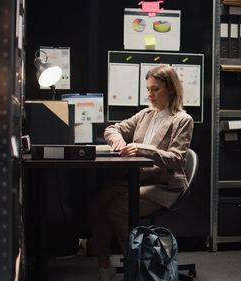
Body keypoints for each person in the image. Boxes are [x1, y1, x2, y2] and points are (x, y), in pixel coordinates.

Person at [90, 64, 194, 281]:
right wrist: (116, 138)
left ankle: (138, 267)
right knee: (99, 202)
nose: (150, 94)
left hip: (165, 185)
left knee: (117, 208)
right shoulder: (146, 114)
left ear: (171, 89)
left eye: (155, 89)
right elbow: (112, 128)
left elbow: (176, 159)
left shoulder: (182, 119)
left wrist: (142, 149)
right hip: (137, 179)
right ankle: (104, 266)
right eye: (148, 89)